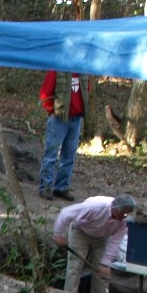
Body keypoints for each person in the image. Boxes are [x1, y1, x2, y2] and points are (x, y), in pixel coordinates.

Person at [53, 194, 135, 293]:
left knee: (101, 273)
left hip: (102, 238)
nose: (125, 217)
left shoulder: (123, 221)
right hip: (80, 233)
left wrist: (105, 264)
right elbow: (66, 213)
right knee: (75, 267)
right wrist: (59, 234)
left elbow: (115, 242)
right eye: (124, 214)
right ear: (115, 210)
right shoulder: (95, 207)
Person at [39, 71, 85, 199]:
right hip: (59, 118)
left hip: (76, 118)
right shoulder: (56, 70)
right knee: (51, 154)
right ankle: (45, 188)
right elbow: (45, 94)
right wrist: (52, 111)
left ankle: (62, 187)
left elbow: (87, 92)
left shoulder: (83, 73)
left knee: (69, 156)